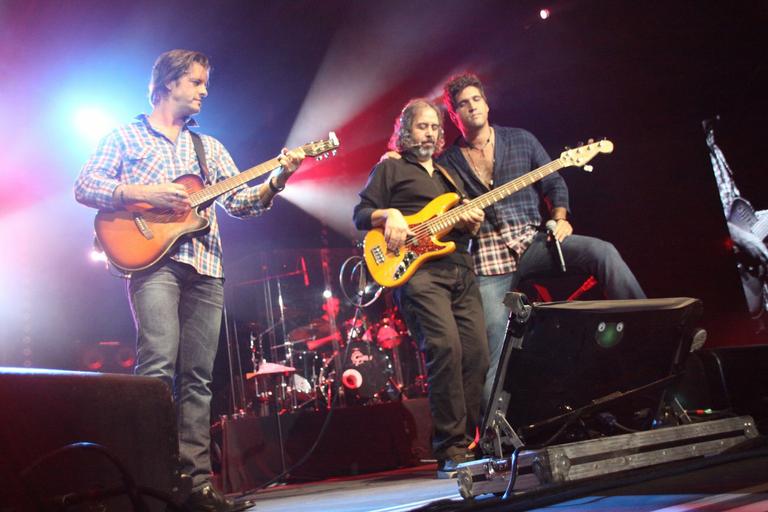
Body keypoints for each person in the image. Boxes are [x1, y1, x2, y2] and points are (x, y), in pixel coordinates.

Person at [75, 49, 305, 511]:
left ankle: (196, 486)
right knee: (157, 367)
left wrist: (278, 178)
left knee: (198, 378)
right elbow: (85, 185)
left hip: (207, 267)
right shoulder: (124, 136)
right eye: (196, 82)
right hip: (152, 263)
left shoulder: (210, 148)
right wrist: (141, 192)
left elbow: (241, 203)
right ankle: (152, 482)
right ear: (168, 84)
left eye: (204, 83)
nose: (203, 91)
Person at [438, 73, 647, 404]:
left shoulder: (521, 139)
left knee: (604, 253)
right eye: (462, 104)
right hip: (487, 262)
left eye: (476, 99)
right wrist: (461, 221)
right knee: (494, 349)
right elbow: (440, 219)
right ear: (454, 115)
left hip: (534, 243)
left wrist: (560, 217)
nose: (472, 107)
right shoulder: (446, 164)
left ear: (487, 104)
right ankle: (491, 434)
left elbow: (554, 183)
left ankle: (651, 329)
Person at [353, 98, 489, 478]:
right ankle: (450, 448)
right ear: (405, 131)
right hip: (419, 274)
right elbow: (361, 213)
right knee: (445, 348)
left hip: (460, 268)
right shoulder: (393, 168)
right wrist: (390, 213)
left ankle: (470, 440)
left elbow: (460, 219)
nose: (429, 133)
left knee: (477, 354)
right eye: (421, 126)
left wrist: (471, 219)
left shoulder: (448, 175)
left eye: (434, 127)